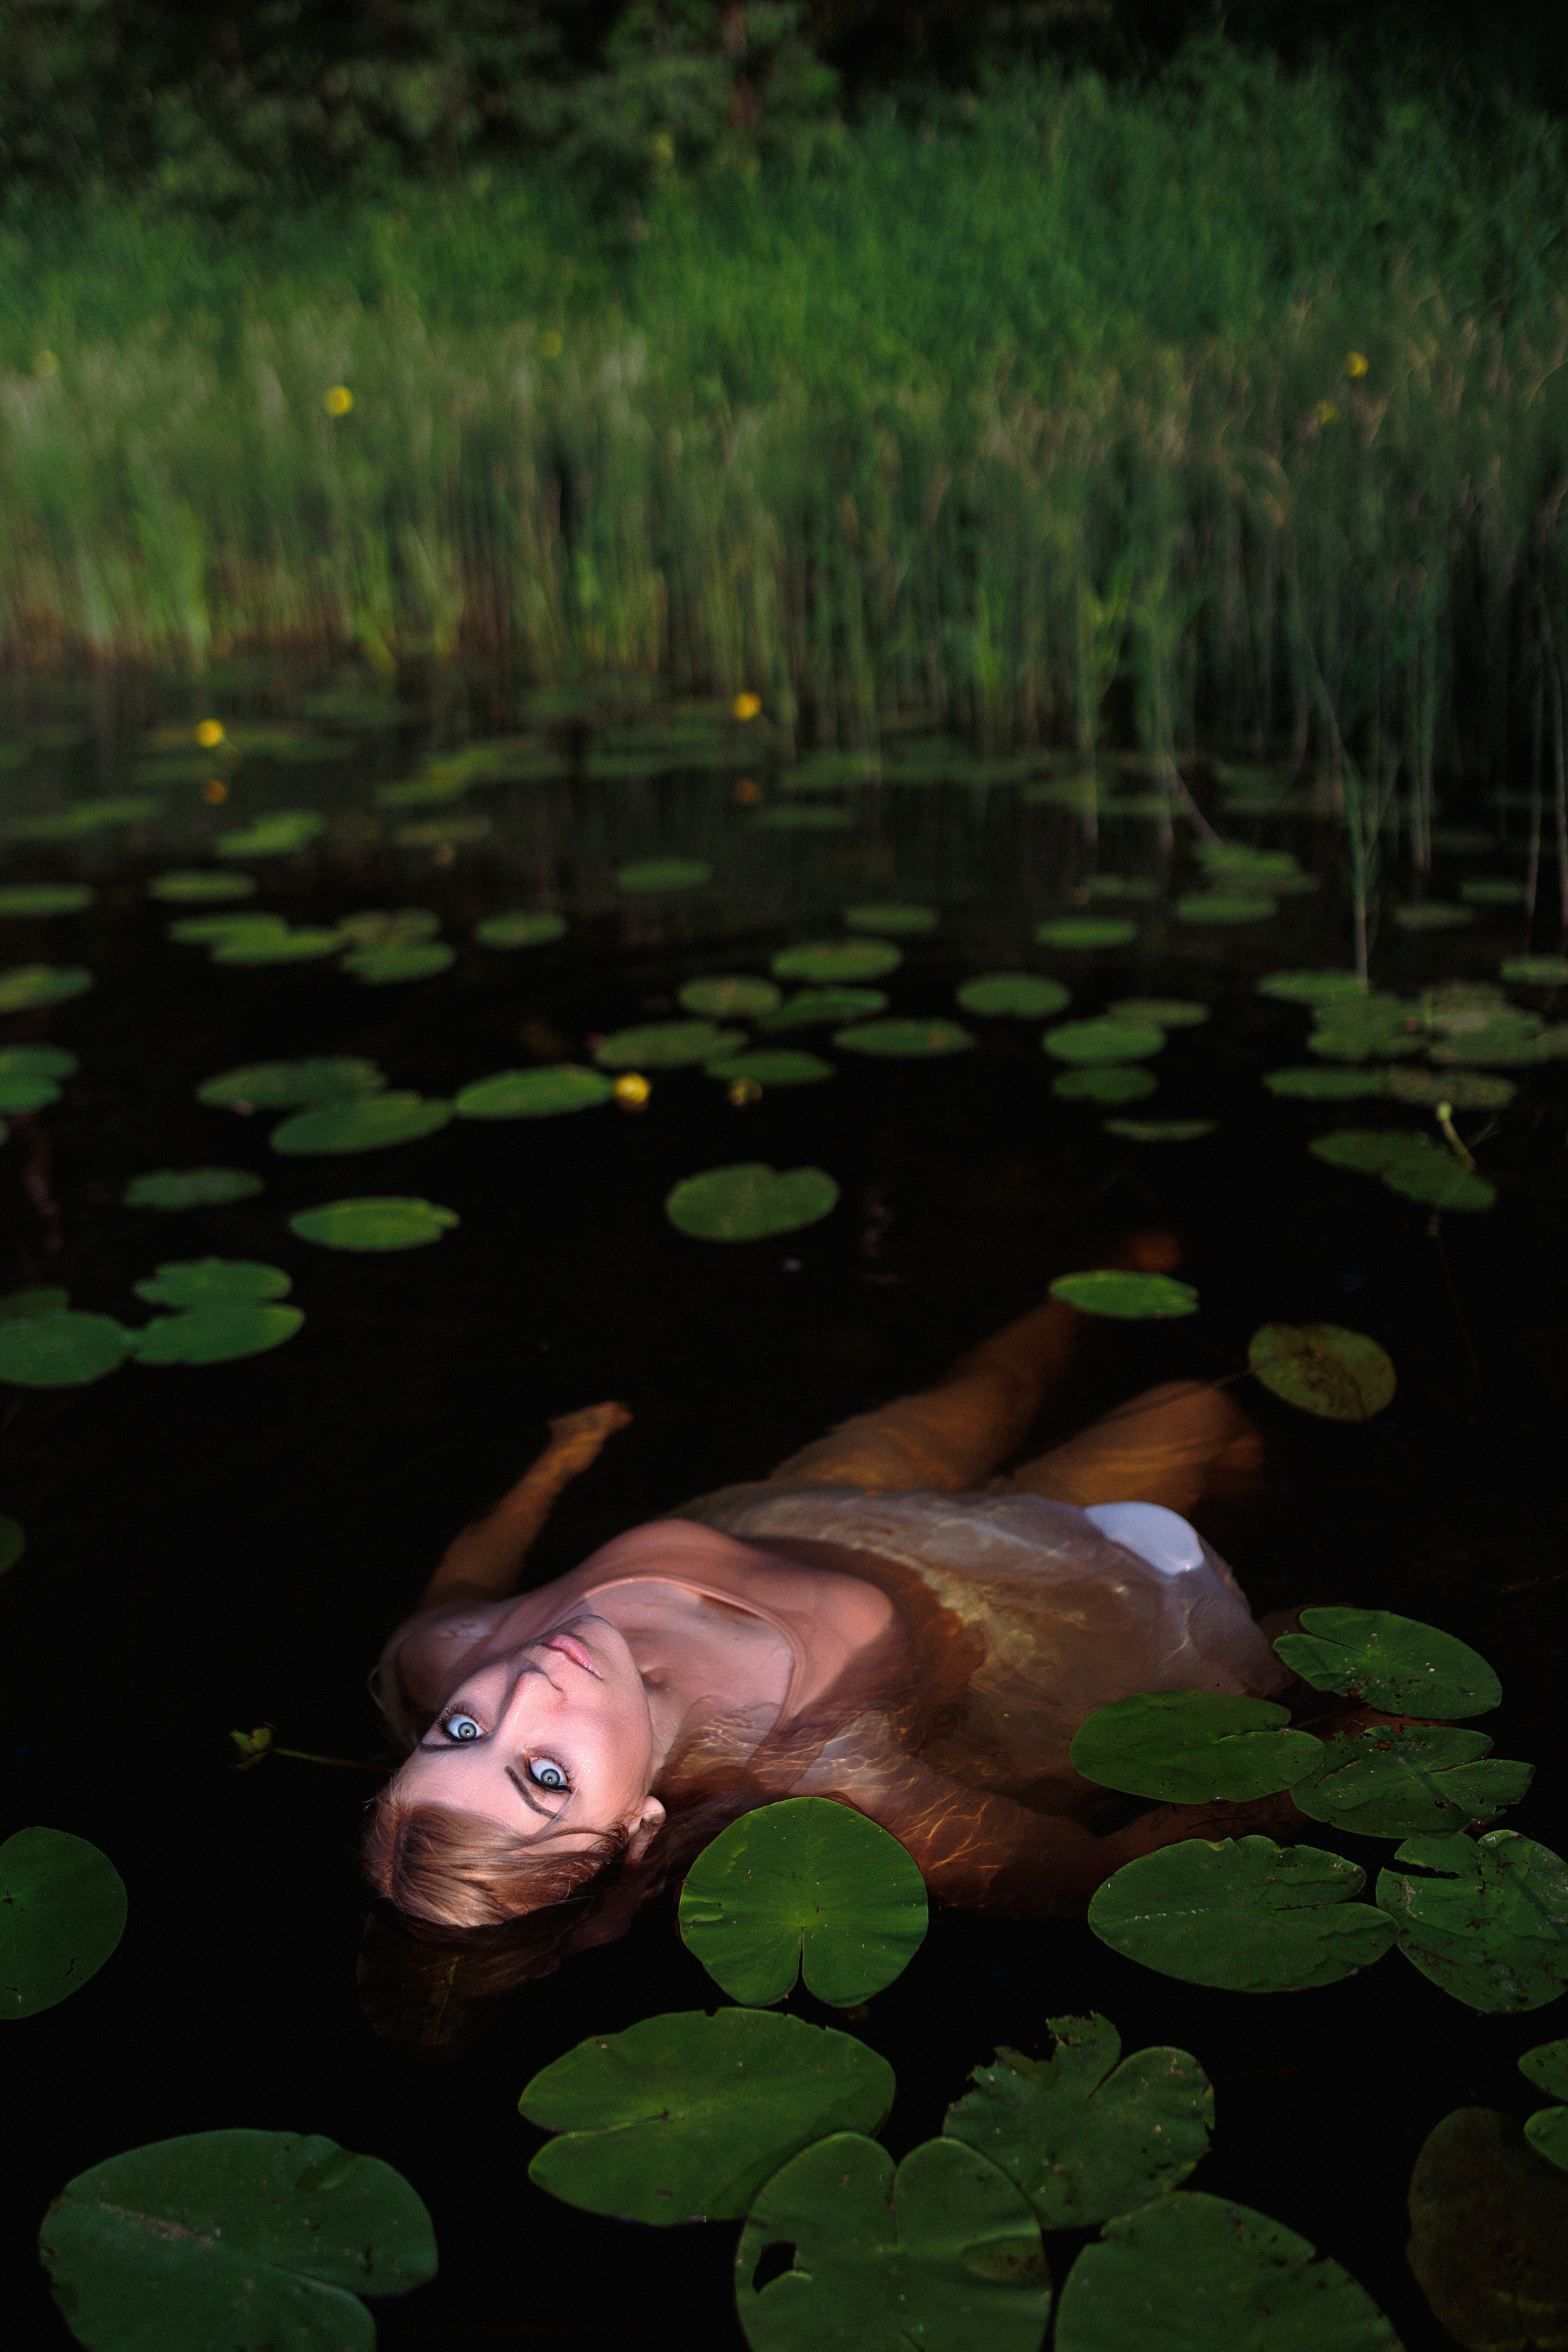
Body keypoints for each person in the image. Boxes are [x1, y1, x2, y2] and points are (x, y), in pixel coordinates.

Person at [363, 1231, 1305, 1963]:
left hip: (816, 1511)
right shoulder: (825, 1773)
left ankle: (1106, 1273)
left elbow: (472, 1568)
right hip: (1012, 1604)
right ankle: (1251, 1521)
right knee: (1202, 1407)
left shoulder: (451, 1651)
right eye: (546, 1777)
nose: (520, 1692)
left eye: (459, 1734)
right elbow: (1102, 1873)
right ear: (639, 1828)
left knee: (993, 1383)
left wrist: (557, 1463)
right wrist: (1344, 1741)